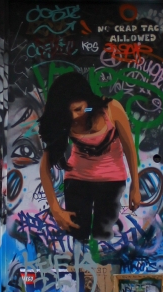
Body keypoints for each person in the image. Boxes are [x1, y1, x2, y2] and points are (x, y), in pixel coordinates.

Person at [38, 71, 140, 241]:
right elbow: (45, 167)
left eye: (78, 109)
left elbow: (129, 148)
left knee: (104, 235)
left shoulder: (111, 109)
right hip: (77, 180)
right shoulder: (65, 120)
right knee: (77, 234)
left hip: (112, 180)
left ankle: (102, 259)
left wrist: (135, 187)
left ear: (88, 99)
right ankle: (78, 258)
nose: (75, 116)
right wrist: (56, 210)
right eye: (70, 112)